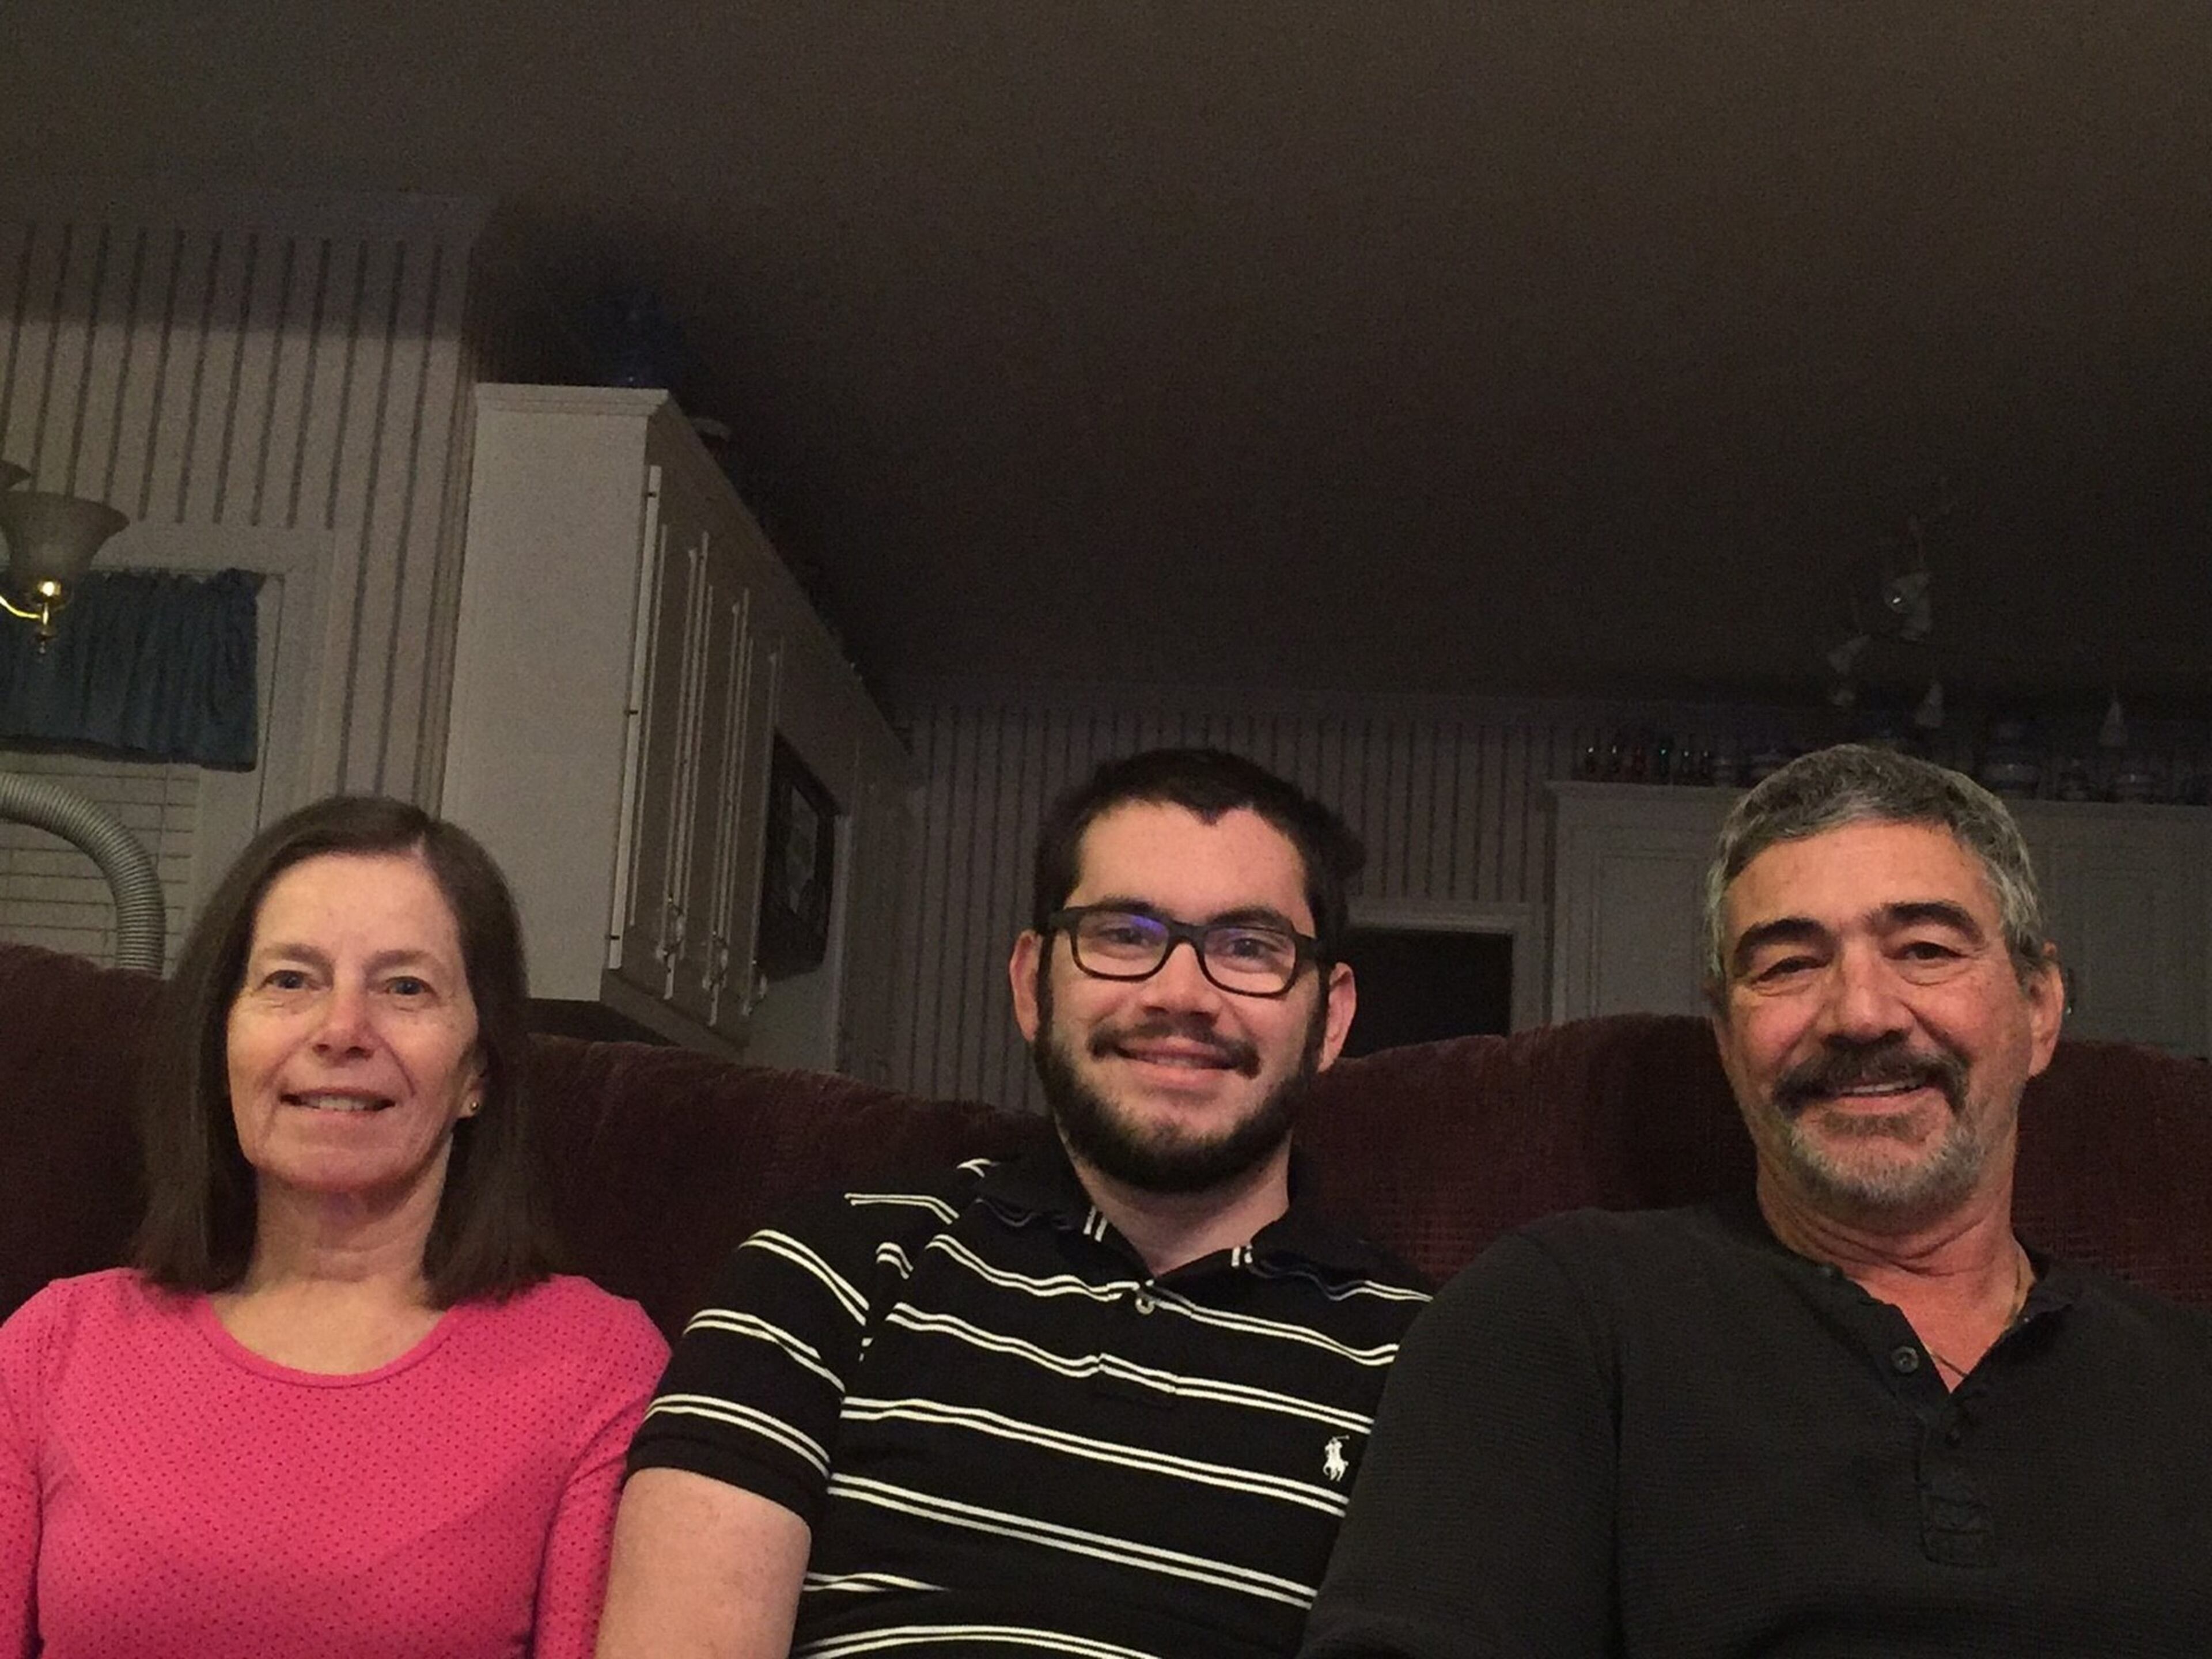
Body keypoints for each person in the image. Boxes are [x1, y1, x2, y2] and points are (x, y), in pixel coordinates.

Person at [1300, 743, 2212, 1658]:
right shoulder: (1556, 1314)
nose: (1861, 1014)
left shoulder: (2186, 1379)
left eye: (1926, 949)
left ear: (2041, 1007)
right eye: (1786, 965)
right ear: (1729, 1039)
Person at [597, 748, 1432, 1658]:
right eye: (1124, 934)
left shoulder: (1435, 1362)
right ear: (1034, 984)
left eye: (1249, 947)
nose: (1182, 994)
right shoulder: (826, 1271)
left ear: (1333, 1017)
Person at [0, 796, 669, 1657]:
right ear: (223, 1041)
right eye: (290, 981)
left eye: (405, 987)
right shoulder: (52, 1347)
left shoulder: (596, 1368)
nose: (342, 1030)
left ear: (479, 1071)